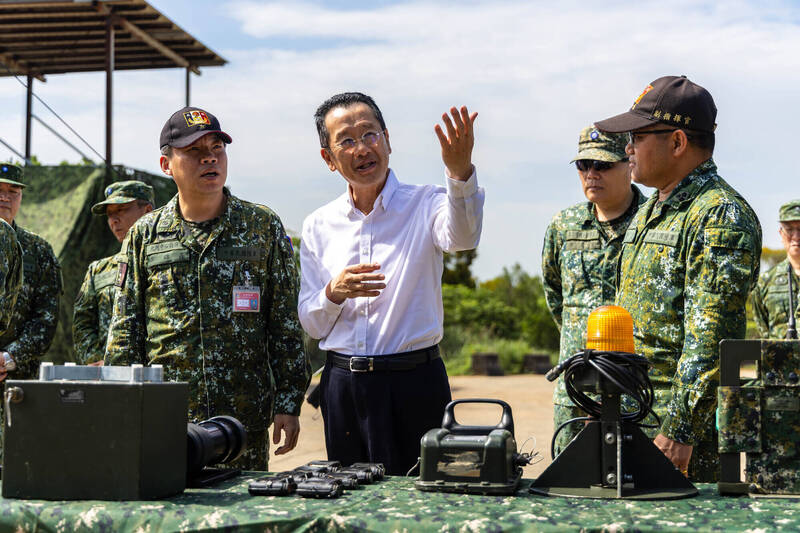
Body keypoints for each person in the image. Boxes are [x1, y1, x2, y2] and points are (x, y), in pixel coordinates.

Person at [104, 107, 310, 470]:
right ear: (167, 165)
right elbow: (125, 330)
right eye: (195, 151)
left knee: (242, 523)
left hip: (241, 421)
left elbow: (284, 323)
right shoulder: (144, 235)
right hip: (165, 418)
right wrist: (120, 405)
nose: (210, 157)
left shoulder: (261, 226)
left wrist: (289, 401)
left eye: (217, 147)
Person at [299, 92, 484, 475]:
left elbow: (463, 237)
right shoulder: (318, 225)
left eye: (370, 135)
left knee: (425, 503)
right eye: (347, 141)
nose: (362, 148)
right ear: (328, 159)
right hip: (343, 388)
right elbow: (313, 324)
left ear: (387, 140)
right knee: (350, 503)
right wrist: (334, 292)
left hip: (414, 383)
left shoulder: (426, 203)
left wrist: (459, 172)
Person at [594, 75, 762, 481]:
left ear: (677, 142)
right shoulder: (655, 208)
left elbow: (711, 338)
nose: (627, 148)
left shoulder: (719, 215)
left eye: (637, 136)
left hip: (676, 439)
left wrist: (679, 430)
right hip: (632, 416)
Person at [542, 126, 646, 455]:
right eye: (583, 165)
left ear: (629, 163)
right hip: (576, 388)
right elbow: (554, 294)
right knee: (569, 491)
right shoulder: (564, 226)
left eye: (601, 165)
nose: (591, 174)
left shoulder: (653, 223)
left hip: (635, 391)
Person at [73, 181, 154, 364]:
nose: (114, 220)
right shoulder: (99, 270)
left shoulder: (166, 264)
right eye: (110, 214)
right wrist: (96, 360)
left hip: (157, 375)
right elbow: (83, 323)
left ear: (147, 211)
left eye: (122, 210)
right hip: (108, 377)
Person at [0, 163, 62, 380]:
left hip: (18, 380)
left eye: (13, 192)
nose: (5, 197)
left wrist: (9, 357)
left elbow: (46, 317)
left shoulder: (39, 250)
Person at [751, 200, 800, 339]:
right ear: (781, 233)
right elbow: (764, 331)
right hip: (780, 360)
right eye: (790, 230)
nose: (796, 237)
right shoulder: (766, 282)